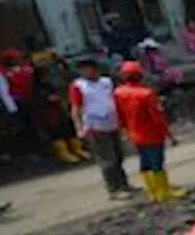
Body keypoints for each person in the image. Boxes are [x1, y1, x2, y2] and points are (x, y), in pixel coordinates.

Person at [115, 61, 186, 202]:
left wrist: (124, 131)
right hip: (152, 134)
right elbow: (157, 117)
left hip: (135, 133)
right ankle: (163, 192)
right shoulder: (146, 94)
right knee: (157, 163)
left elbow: (119, 115)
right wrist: (169, 135)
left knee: (145, 162)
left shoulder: (119, 93)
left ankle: (152, 192)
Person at [68, 57, 135, 200]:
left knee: (118, 155)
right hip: (95, 126)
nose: (86, 72)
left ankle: (123, 183)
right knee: (107, 158)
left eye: (88, 68)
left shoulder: (106, 82)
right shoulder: (78, 86)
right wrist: (79, 127)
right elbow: (76, 108)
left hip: (112, 123)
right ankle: (114, 189)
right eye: (82, 69)